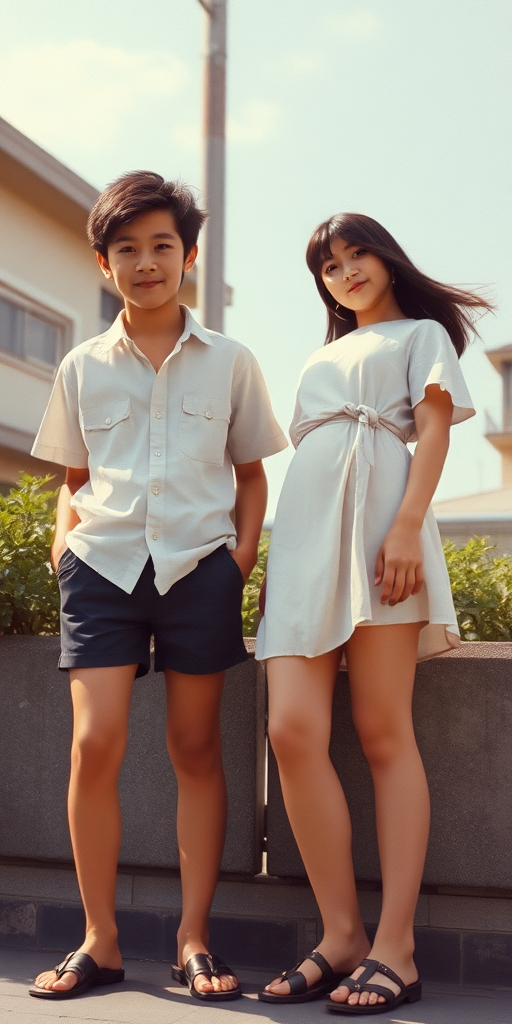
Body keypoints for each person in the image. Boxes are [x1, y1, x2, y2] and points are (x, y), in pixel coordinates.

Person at [28, 170, 287, 1003]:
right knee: (93, 743)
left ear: (190, 256)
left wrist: (238, 561)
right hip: (101, 570)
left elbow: (252, 476)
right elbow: (73, 476)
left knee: (196, 750)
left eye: (162, 246)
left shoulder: (232, 363)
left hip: (196, 570)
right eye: (127, 249)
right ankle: (99, 940)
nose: (146, 262)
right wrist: (65, 547)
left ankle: (193, 936)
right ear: (104, 264)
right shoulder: (79, 366)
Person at [256, 213, 492, 1014]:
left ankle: (397, 946)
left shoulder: (421, 335)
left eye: (358, 253)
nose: (346, 269)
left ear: (388, 259)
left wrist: (405, 531)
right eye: (329, 263)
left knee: (384, 730)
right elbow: (309, 466)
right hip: (305, 546)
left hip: (382, 538)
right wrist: (274, 566)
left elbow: (432, 436)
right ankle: (342, 935)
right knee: (290, 729)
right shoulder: (319, 358)